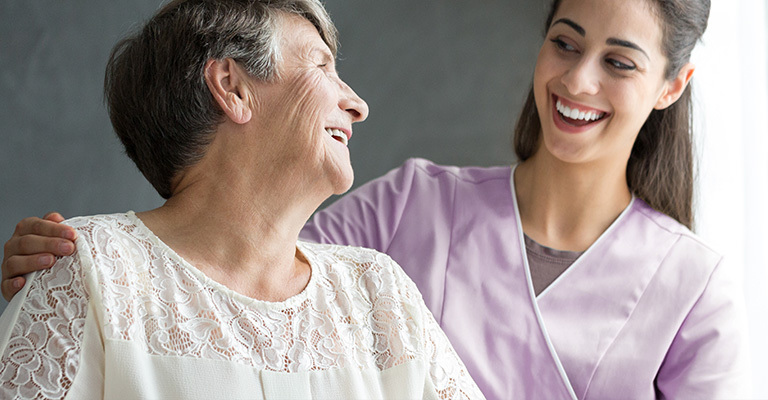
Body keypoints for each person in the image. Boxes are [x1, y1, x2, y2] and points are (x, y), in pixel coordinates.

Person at [2, 0, 750, 398]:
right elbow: (239, 241)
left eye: (619, 61)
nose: (579, 81)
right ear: (232, 85)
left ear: (671, 85)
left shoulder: (694, 288)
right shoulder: (409, 210)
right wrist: (82, 270)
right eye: (564, 42)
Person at [0, 0, 485, 398]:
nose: (357, 105)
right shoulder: (89, 271)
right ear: (233, 87)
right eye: (322, 66)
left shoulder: (382, 296)